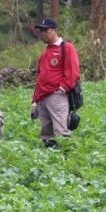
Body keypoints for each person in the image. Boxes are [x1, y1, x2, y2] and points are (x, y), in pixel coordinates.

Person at [30, 17, 80, 148]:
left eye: (45, 30)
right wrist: (35, 101)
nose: (42, 33)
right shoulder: (44, 53)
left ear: (54, 31)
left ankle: (65, 160)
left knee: (60, 131)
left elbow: (73, 72)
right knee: (46, 133)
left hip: (56, 95)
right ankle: (51, 159)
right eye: (41, 30)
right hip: (43, 98)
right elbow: (40, 78)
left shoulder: (67, 48)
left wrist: (62, 89)